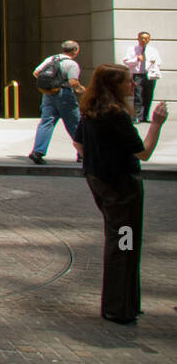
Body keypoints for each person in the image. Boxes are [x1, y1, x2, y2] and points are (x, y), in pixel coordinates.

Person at [72, 64, 168, 325]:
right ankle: (119, 307)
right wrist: (156, 124)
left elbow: (78, 143)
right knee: (125, 244)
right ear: (114, 86)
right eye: (127, 82)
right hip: (122, 187)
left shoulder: (90, 111)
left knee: (119, 241)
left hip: (100, 182)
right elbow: (143, 152)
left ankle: (123, 304)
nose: (133, 85)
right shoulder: (116, 115)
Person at [29, 40, 86, 165]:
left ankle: (37, 152)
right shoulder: (72, 64)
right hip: (64, 94)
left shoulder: (51, 59)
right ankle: (83, 153)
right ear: (75, 51)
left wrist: (50, 84)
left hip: (48, 94)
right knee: (74, 124)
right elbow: (72, 82)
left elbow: (36, 72)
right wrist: (81, 89)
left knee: (46, 122)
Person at [122, 32, 161, 123]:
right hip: (138, 74)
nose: (144, 40)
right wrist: (136, 59)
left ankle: (145, 116)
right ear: (138, 39)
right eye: (142, 38)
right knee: (138, 95)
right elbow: (126, 61)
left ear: (149, 39)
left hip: (149, 75)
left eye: (146, 38)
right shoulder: (132, 49)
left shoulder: (153, 50)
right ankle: (137, 117)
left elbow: (159, 62)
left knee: (148, 95)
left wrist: (154, 62)